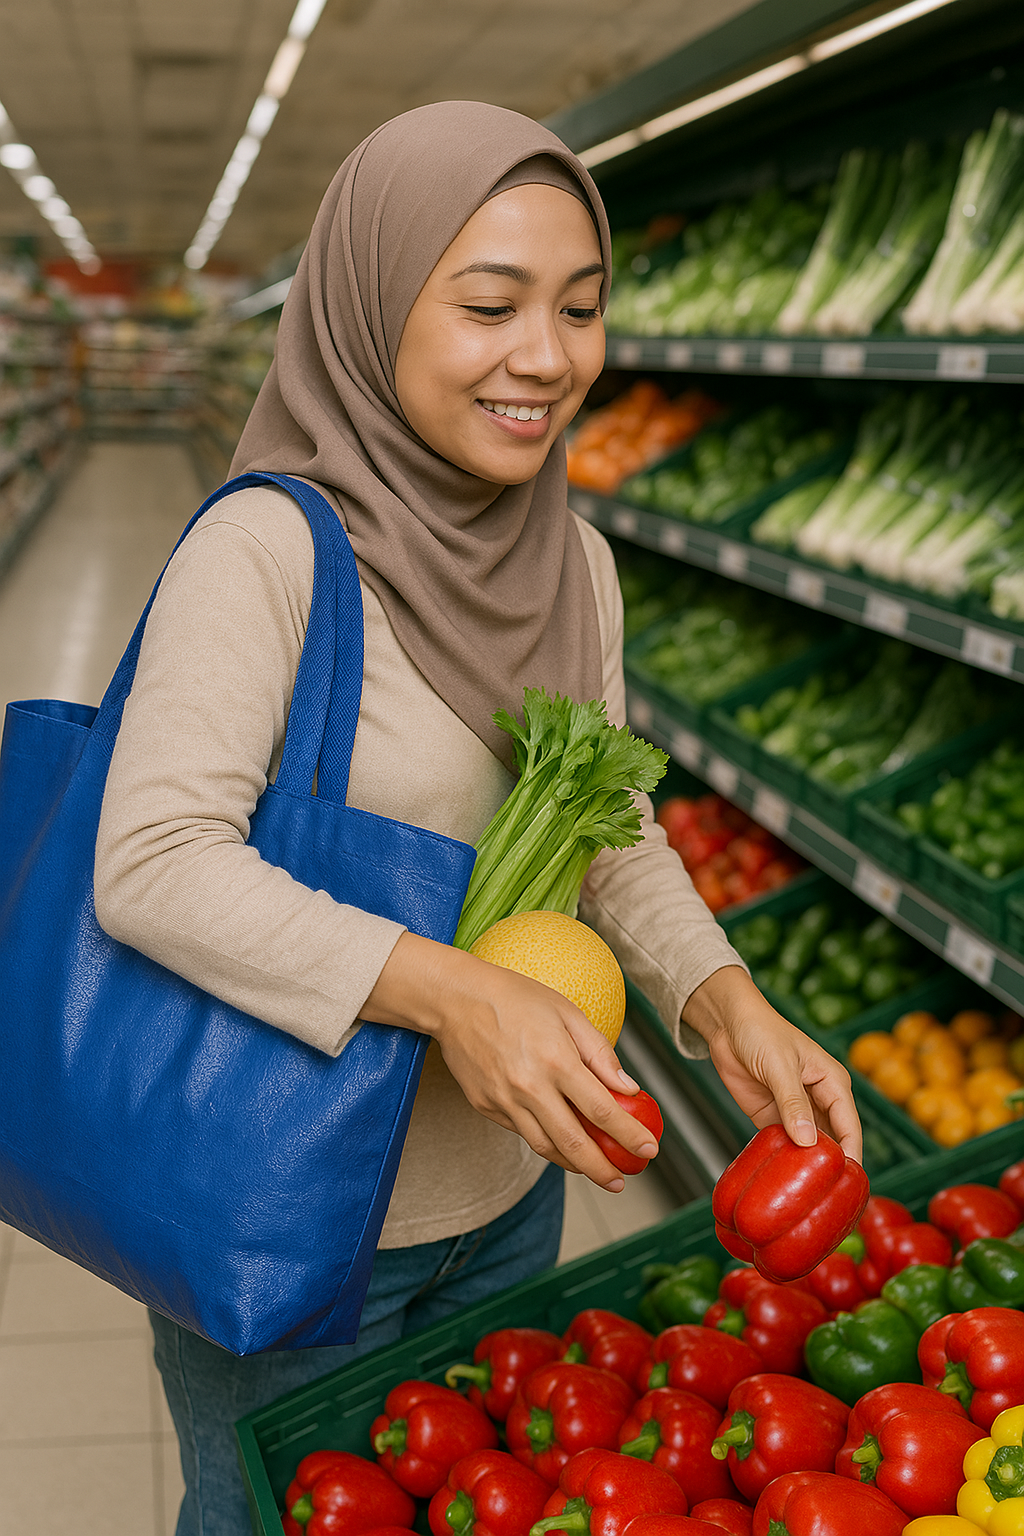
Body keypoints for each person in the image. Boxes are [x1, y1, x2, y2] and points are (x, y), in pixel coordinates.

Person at [93, 100, 859, 1536]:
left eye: (582, 308)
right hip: (288, 1211)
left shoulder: (572, 557)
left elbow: (607, 828)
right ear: (374, 303)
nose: (549, 358)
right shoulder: (269, 549)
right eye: (490, 305)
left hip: (507, 1201)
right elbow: (149, 863)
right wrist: (452, 996)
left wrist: (722, 998)